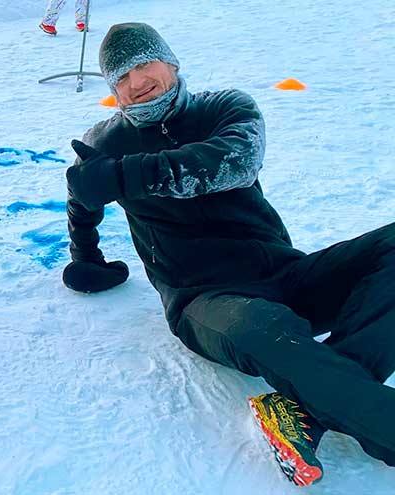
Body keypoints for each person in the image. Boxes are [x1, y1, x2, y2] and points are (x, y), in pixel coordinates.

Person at [63, 22, 395, 486]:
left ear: (170, 62)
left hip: (286, 275)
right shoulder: (104, 142)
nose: (136, 83)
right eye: (120, 77)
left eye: (143, 65)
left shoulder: (225, 108)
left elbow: (233, 163)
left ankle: (302, 410)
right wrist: (87, 258)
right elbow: (81, 194)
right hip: (205, 300)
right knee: (267, 329)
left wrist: (125, 176)